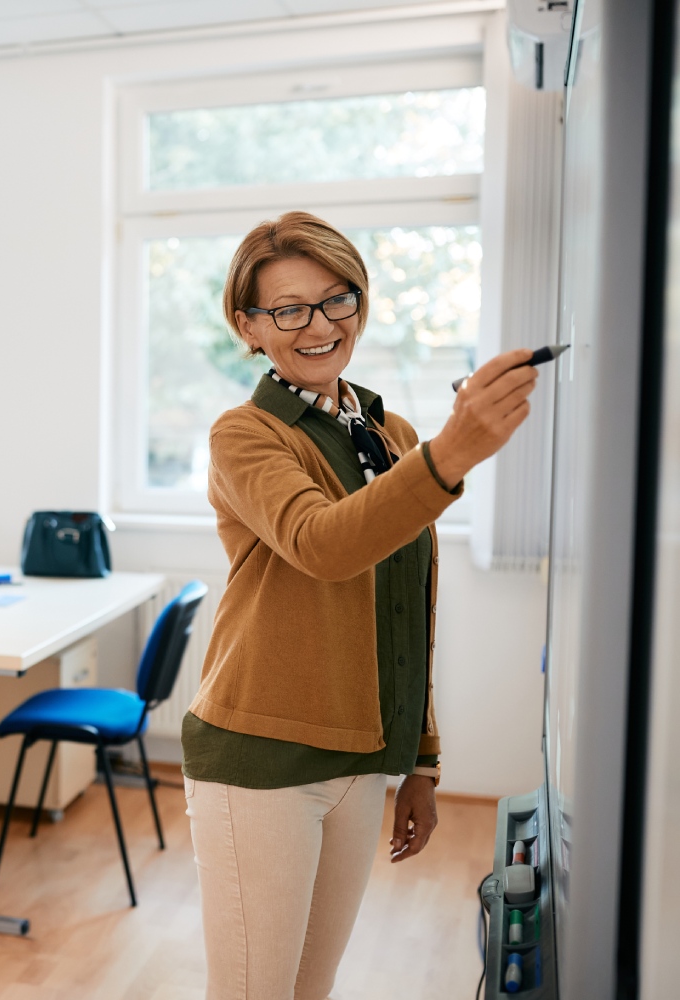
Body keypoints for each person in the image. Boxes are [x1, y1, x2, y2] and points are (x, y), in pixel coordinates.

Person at [183, 211, 539, 1000]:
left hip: (360, 757)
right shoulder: (245, 436)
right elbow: (323, 544)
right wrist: (453, 454)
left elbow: (408, 603)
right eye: (288, 309)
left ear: (361, 301)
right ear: (249, 326)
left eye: (336, 299)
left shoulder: (392, 433)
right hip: (260, 759)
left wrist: (421, 757)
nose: (319, 325)